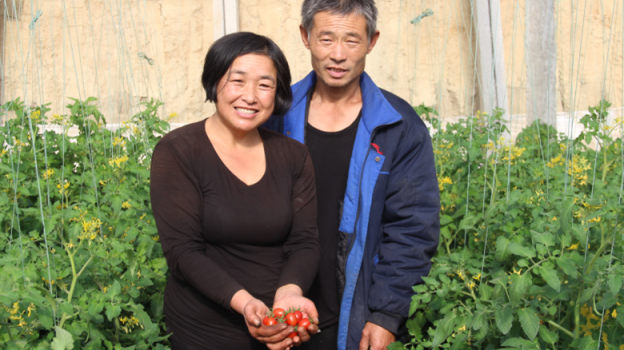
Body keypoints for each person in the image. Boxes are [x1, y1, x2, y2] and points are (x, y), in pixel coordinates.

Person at [264, 1, 440, 349]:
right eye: (326, 39)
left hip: (354, 311)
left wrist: (386, 314)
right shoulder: (274, 114)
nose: (338, 55)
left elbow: (413, 228)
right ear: (306, 37)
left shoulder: (397, 125)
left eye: (352, 40)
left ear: (372, 41)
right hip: (278, 304)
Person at [150, 32, 320, 350]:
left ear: (278, 93)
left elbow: (304, 242)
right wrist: (245, 304)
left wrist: (290, 293)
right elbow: (183, 252)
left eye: (265, 84)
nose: (250, 96)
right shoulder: (179, 151)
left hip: (280, 325)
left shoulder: (293, 156)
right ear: (215, 82)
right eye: (237, 81)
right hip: (205, 329)